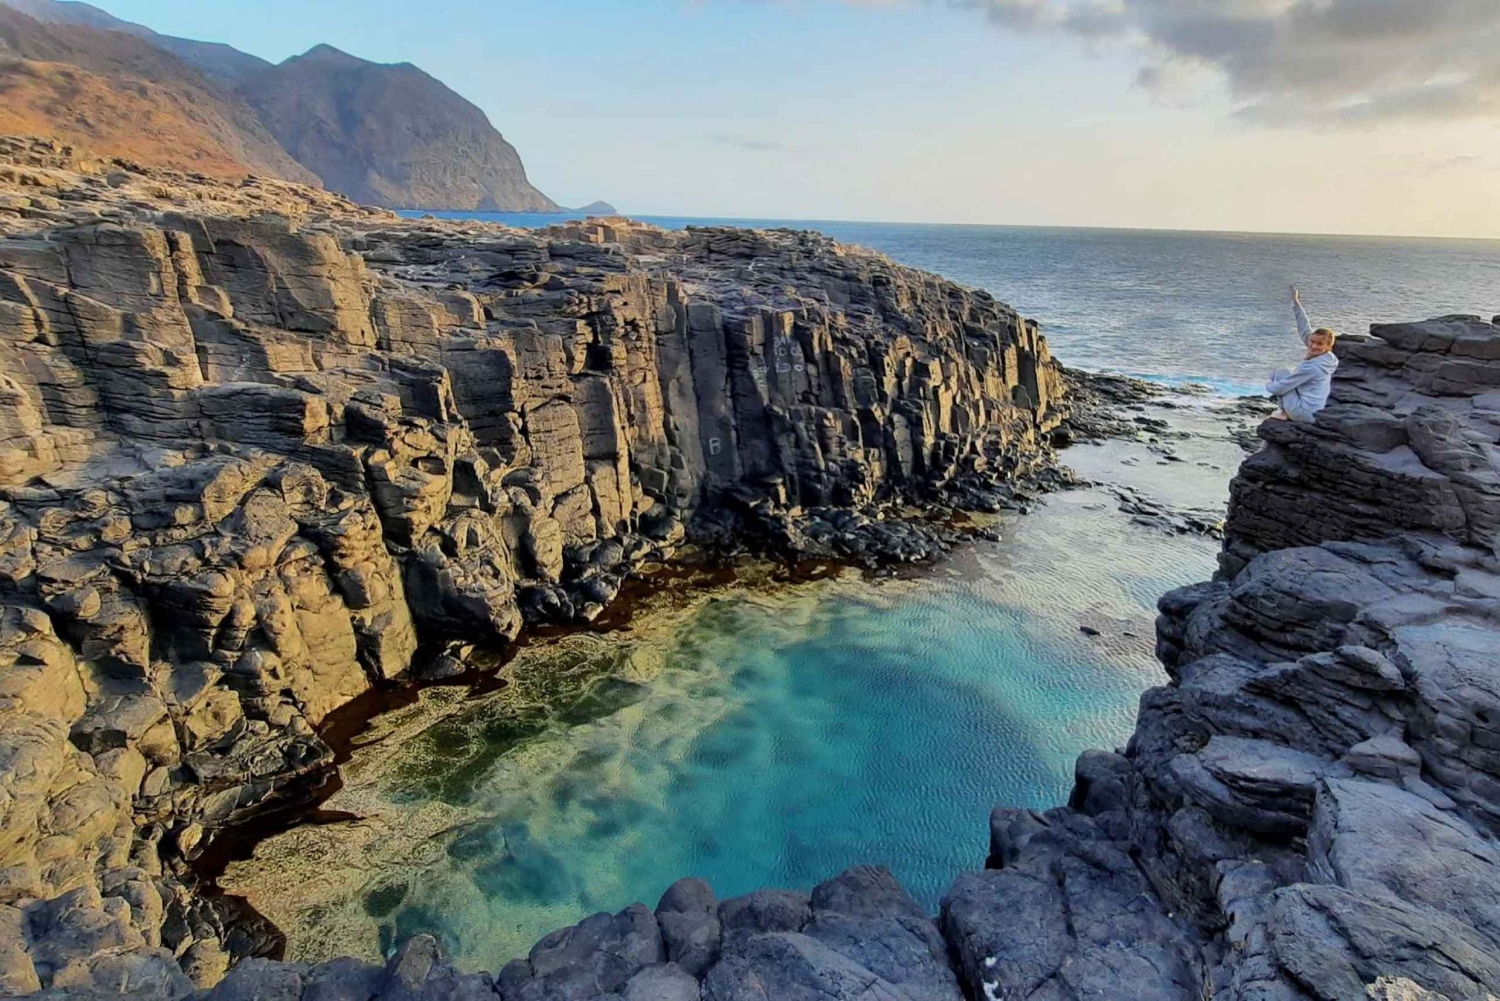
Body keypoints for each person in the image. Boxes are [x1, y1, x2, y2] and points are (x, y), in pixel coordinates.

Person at [1266, 286, 1338, 422]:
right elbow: (1304, 329)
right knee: (1280, 374)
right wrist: (1296, 303)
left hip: (1304, 413)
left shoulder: (1313, 367)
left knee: (1282, 374)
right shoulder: (1327, 357)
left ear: (1328, 346)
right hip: (1315, 410)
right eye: (1312, 342)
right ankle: (1285, 410)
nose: (1313, 346)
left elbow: (1281, 388)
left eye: (1319, 344)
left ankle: (1283, 412)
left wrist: (1267, 385)